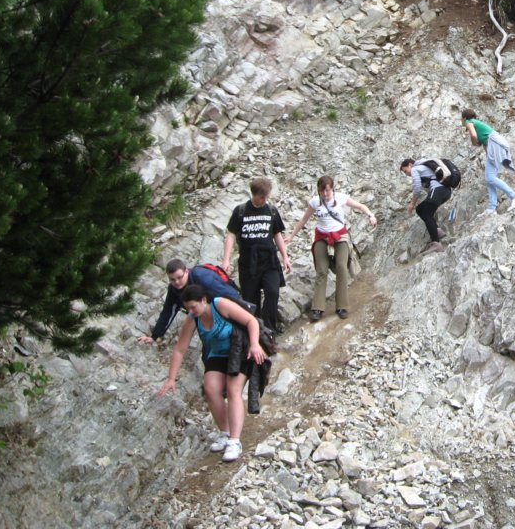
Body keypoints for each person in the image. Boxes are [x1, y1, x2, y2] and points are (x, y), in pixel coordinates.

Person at [157, 285, 267, 463]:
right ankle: (225, 432)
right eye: (188, 308)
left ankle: (235, 441)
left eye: (193, 307)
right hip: (218, 353)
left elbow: (251, 321)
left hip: (240, 349)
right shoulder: (193, 318)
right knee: (210, 389)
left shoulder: (220, 305)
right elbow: (179, 349)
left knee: (233, 390)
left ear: (203, 300)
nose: (191, 311)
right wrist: (171, 379)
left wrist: (255, 344)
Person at [285, 176, 376, 322]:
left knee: (341, 267)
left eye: (328, 190)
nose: (326, 194)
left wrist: (370, 216)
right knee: (321, 270)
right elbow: (304, 220)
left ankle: (342, 306)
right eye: (323, 191)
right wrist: (291, 236)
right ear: (319, 191)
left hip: (340, 235)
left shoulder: (340, 198)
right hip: (322, 235)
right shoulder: (315, 202)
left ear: (333, 189)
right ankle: (318, 308)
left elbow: (360, 206)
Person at [221, 177, 292, 334]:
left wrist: (285, 257)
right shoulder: (240, 211)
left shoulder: (271, 210)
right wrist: (226, 260)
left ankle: (270, 330)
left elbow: (277, 234)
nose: (265, 200)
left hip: (269, 261)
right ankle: (258, 333)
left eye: (267, 197)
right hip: (248, 263)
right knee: (251, 300)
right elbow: (231, 235)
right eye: (262, 197)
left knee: (273, 292)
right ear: (254, 194)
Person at [138, 259, 243, 344]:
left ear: (187, 271)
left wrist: (243, 317)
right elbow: (168, 311)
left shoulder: (202, 277)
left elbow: (230, 295)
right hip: (205, 319)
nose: (177, 282)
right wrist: (154, 336)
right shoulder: (173, 289)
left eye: (179, 277)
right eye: (172, 279)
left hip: (229, 310)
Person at [461, 109, 515, 215]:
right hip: (494, 145)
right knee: (489, 178)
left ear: (464, 118)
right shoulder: (477, 123)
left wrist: (474, 143)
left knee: (490, 177)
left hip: (495, 145)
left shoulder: (469, 122)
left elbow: (473, 135)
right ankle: (491, 208)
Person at [400, 158, 452, 254]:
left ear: (410, 165)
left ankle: (436, 243)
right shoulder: (424, 168)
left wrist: (412, 204)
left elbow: (417, 189)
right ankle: (437, 231)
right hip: (445, 191)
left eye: (406, 171)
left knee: (427, 213)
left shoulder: (416, 169)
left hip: (439, 190)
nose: (406, 174)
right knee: (420, 209)